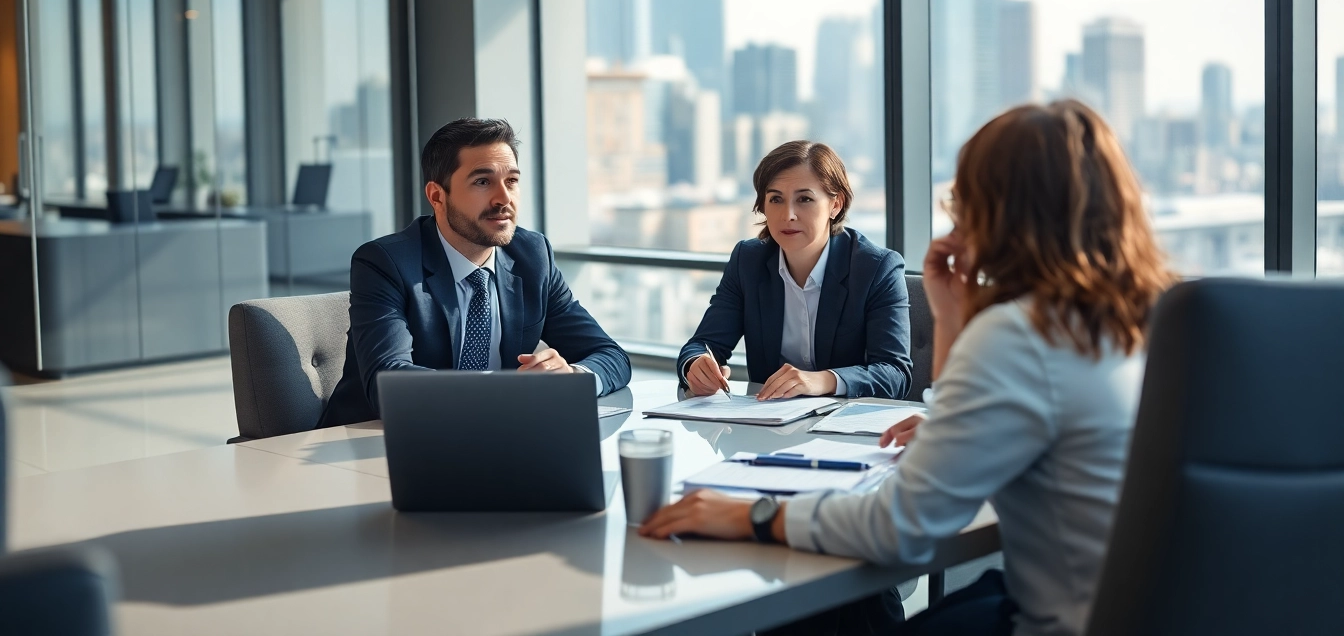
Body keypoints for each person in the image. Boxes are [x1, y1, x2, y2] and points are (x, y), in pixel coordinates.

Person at [640, 100, 1177, 636]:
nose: (956, 213)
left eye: (964, 197)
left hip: (1063, 620)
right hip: (1134, 609)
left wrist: (750, 516)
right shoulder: (1130, 320)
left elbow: (899, 527)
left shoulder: (1018, 333)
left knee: (835, 604)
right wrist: (952, 362)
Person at [319, 118, 631, 427]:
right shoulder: (386, 262)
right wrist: (503, 392)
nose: (504, 198)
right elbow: (388, 379)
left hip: (492, 442)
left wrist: (571, 377)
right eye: (483, 182)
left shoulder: (532, 256)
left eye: (511, 181)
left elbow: (610, 355)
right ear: (437, 196)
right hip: (373, 443)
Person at [676, 140, 913, 401]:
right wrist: (695, 367)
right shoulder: (748, 261)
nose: (788, 214)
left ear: (835, 205)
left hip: (844, 430)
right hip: (768, 428)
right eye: (776, 199)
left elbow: (895, 374)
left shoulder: (877, 268)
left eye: (805, 199)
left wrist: (822, 380)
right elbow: (702, 345)